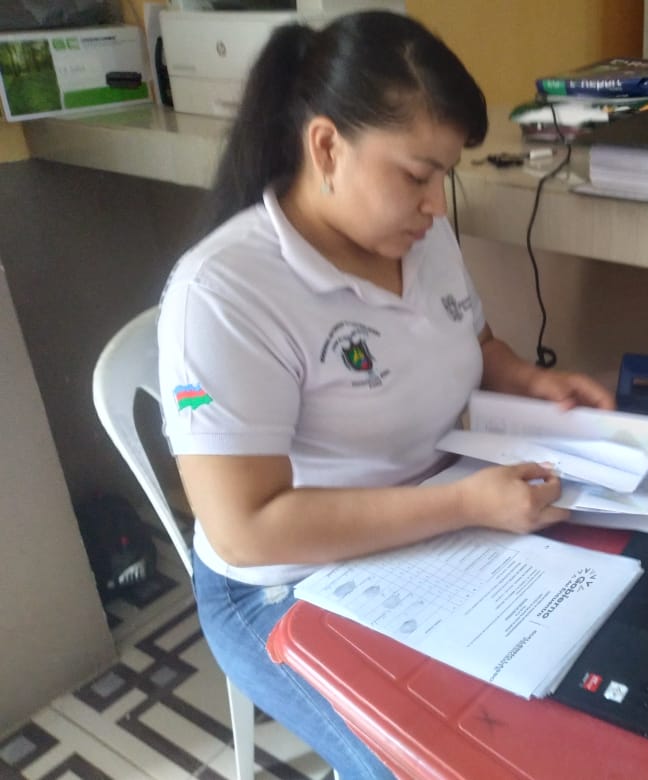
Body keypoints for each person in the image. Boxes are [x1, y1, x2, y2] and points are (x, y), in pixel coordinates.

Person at [156, 10, 613, 777]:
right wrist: (463, 506)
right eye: (416, 175)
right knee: (432, 762)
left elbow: (475, 344)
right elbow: (247, 529)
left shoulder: (421, 239)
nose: (438, 204)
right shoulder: (225, 294)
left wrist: (536, 381)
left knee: (570, 691)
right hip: (289, 581)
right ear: (326, 147)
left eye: (445, 176)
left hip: (436, 522)